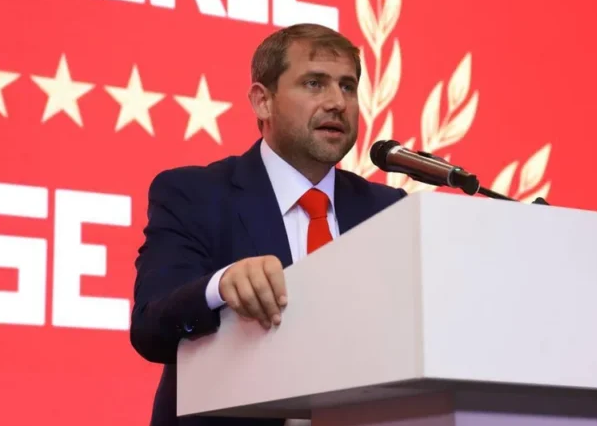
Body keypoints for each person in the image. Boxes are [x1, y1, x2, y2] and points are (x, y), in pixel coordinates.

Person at [130, 23, 408, 426]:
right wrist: (219, 286)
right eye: (314, 83)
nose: (337, 102)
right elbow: (150, 327)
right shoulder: (194, 194)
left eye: (348, 87)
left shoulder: (387, 209)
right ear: (263, 101)